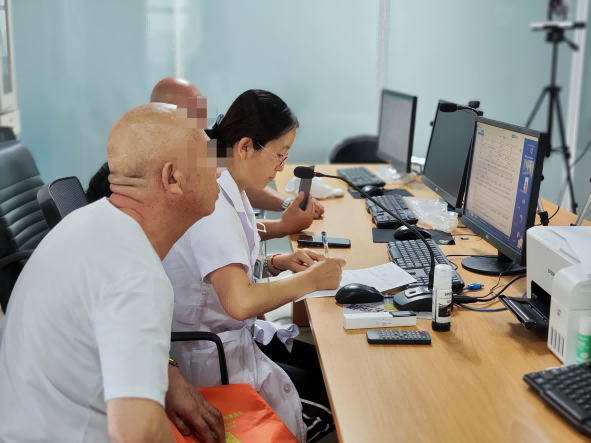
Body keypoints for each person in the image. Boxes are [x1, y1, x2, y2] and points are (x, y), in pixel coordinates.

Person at [0, 103, 225, 443]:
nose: (219, 172)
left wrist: (164, 373)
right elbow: (138, 433)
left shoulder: (90, 222)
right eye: (208, 158)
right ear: (172, 178)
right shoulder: (135, 273)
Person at [163, 89, 345, 443]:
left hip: (228, 338)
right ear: (245, 147)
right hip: (213, 361)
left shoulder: (226, 181)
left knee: (328, 365)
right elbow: (239, 301)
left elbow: (222, 267)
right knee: (340, 395)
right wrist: (311, 280)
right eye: (279, 154)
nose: (281, 167)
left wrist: (274, 262)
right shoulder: (213, 199)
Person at [86, 76, 324, 237]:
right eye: (192, 111)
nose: (202, 118)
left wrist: (286, 204)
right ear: (164, 116)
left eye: (201, 107)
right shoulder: (160, 167)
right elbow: (222, 233)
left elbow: (238, 179)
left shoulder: (202, 145)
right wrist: (283, 226)